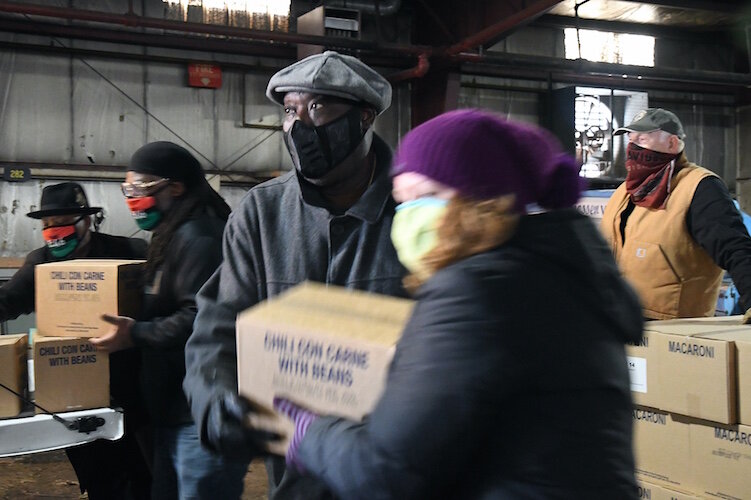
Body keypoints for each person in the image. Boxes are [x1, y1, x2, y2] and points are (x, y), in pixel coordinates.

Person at [273, 109, 643, 499]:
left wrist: (311, 434)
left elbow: (385, 471)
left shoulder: (476, 291)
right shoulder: (560, 274)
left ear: (483, 200)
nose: (409, 217)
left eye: (428, 196)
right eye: (403, 201)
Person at [182, 50, 406, 499]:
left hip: (402, 469)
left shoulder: (416, 208)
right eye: (290, 110)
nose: (299, 125)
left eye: (318, 108)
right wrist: (216, 398)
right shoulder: (262, 214)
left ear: (364, 119)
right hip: (296, 475)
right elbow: (218, 328)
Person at [90, 142, 249, 499]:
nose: (133, 199)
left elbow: (202, 317)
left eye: (141, 189)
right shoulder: (172, 235)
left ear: (175, 187)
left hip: (201, 411)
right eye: (127, 190)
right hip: (172, 407)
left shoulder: (201, 237)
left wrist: (136, 333)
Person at [0, 181, 151, 499]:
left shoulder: (128, 253)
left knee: (144, 473)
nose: (55, 232)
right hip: (79, 390)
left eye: (63, 223)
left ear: (87, 221)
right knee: (101, 478)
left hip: (136, 385)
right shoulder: (41, 263)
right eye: (47, 226)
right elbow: (8, 300)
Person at [601, 108, 751, 320]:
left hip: (673, 331)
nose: (633, 148)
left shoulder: (699, 188)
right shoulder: (625, 192)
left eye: (641, 140)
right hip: (618, 321)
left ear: (672, 143)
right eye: (630, 140)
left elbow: (735, 248)